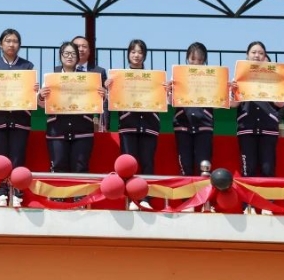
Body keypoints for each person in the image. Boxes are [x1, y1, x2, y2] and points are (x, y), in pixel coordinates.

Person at [0, 28, 38, 208]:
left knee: (18, 158)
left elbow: (33, 95)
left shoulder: (28, 67)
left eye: (15, 41)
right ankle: (0, 194)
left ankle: (17, 193)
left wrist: (34, 90)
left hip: (20, 120)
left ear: (19, 45)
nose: (11, 44)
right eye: (8, 41)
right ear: (0, 44)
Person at [108, 38, 159, 210]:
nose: (136, 55)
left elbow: (162, 99)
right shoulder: (119, 77)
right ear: (128, 54)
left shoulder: (154, 78)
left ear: (144, 55)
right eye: (133, 52)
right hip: (128, 124)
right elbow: (112, 101)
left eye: (140, 52)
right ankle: (131, 199)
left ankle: (146, 198)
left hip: (149, 125)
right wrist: (109, 88)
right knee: (129, 164)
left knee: (147, 162)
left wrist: (164, 89)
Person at [230, 41, 284, 181]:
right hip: (247, 129)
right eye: (253, 52)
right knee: (248, 171)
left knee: (268, 170)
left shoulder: (274, 77)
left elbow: (280, 103)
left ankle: (267, 197)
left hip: (268, 129)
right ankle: (247, 197)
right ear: (247, 55)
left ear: (265, 57)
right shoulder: (238, 77)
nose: (257, 55)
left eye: (261, 53)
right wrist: (232, 90)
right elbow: (233, 104)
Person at [38, 41, 100, 179]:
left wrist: (101, 95)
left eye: (73, 54)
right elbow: (42, 105)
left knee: (81, 168)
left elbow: (95, 102)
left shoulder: (87, 78)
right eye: (66, 53)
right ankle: (58, 193)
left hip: (82, 130)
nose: (69, 56)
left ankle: (81, 194)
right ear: (60, 56)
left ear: (78, 57)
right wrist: (41, 96)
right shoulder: (51, 78)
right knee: (58, 167)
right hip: (57, 130)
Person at [171, 42, 215, 179]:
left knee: (204, 166)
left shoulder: (212, 78)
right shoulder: (178, 77)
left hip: (204, 125)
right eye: (193, 59)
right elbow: (170, 102)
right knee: (185, 166)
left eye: (200, 60)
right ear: (187, 59)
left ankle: (204, 193)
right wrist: (169, 90)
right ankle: (186, 194)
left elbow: (219, 101)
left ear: (205, 61)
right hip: (182, 125)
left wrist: (225, 88)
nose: (196, 63)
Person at [71, 35, 109, 130]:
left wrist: (105, 124)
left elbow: (105, 101)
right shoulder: (60, 72)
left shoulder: (99, 72)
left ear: (89, 51)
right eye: (77, 46)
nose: (81, 49)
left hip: (89, 123)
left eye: (84, 46)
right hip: (67, 121)